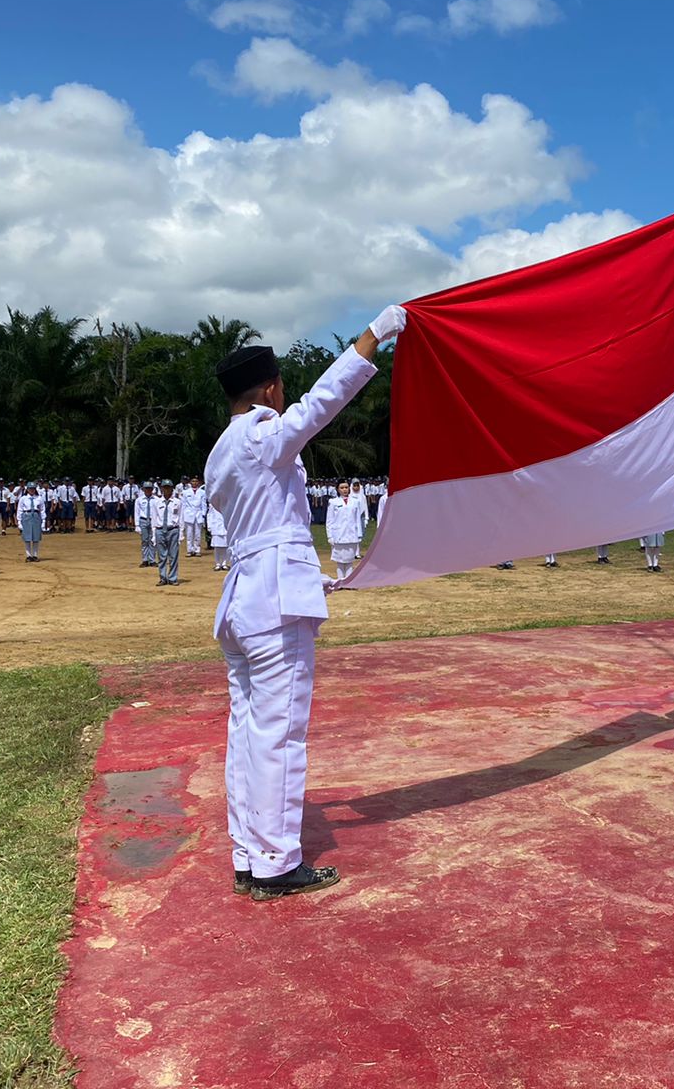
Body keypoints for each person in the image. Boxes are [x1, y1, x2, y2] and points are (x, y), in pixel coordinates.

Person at [205, 305, 403, 901]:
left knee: (247, 732)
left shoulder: (220, 451)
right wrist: (375, 335)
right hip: (272, 603)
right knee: (279, 733)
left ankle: (249, 852)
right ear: (269, 389)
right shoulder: (264, 435)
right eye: (280, 386)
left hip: (242, 597)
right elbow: (321, 404)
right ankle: (274, 862)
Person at [326, 479, 366, 578]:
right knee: (340, 560)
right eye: (342, 488)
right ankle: (340, 580)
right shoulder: (333, 502)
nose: (344, 490)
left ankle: (348, 580)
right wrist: (329, 535)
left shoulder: (355, 502)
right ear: (337, 489)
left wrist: (359, 534)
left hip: (351, 534)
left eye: (346, 487)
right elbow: (329, 520)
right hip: (338, 534)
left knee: (349, 560)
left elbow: (357, 519)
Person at [154, 480, 183, 586]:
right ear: (161, 488)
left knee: (173, 555)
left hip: (173, 530)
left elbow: (181, 518)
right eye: (164, 487)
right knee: (161, 556)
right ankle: (163, 577)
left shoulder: (177, 502)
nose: (166, 489)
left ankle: (173, 578)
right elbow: (154, 517)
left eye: (168, 487)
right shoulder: (157, 502)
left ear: (172, 488)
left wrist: (181, 534)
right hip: (160, 530)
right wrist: (154, 534)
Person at [17, 481, 46, 561]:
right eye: (30, 489)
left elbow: (42, 510)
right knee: (27, 537)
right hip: (27, 516)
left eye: (33, 488)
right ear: (27, 489)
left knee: (36, 537)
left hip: (36, 516)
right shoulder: (23, 498)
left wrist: (43, 521)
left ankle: (35, 555)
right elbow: (19, 510)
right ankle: (28, 555)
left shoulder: (39, 498)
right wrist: (19, 522)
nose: (32, 490)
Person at [208, 502, 229, 571]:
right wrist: (209, 526)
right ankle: (217, 563)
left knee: (225, 547)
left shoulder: (228, 503)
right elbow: (210, 515)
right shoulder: (212, 504)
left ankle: (224, 563)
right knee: (217, 547)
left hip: (225, 528)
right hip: (216, 527)